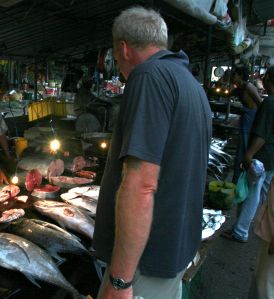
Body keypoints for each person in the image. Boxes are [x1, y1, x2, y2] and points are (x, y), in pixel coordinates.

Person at [93, 7, 211, 299]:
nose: (117, 63)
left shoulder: (148, 77)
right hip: (174, 249)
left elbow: (141, 185)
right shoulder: (188, 82)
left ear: (122, 48)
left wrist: (120, 280)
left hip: (146, 262)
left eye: (116, 56)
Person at [222, 66, 274, 243]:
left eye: (265, 76)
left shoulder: (269, 102)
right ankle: (263, 225)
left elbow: (262, 134)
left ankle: (240, 231)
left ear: (269, 79)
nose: (263, 80)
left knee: (253, 193)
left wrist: (249, 154)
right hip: (271, 157)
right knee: (265, 192)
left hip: (263, 156)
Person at [231, 65, 263, 183]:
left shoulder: (249, 87)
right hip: (245, 120)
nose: (232, 77)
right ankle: (237, 180)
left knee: (244, 152)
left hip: (251, 121)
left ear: (239, 75)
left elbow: (260, 103)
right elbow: (227, 94)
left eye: (234, 75)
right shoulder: (239, 88)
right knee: (240, 152)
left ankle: (241, 181)